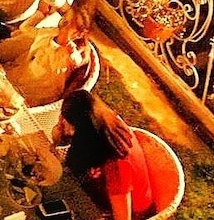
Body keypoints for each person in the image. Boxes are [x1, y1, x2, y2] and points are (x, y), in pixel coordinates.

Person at [53, 89, 154, 220]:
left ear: (82, 130)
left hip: (130, 212)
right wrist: (59, 135)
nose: (61, 122)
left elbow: (123, 218)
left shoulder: (116, 164)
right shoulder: (100, 124)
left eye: (65, 121)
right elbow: (65, 149)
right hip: (103, 191)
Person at [0, 3, 92, 106]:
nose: (65, 23)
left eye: (70, 23)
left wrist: (74, 50)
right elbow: (25, 28)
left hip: (39, 91)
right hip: (23, 74)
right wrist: (40, 13)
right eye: (65, 20)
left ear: (79, 34)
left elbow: (79, 62)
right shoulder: (49, 33)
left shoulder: (71, 52)